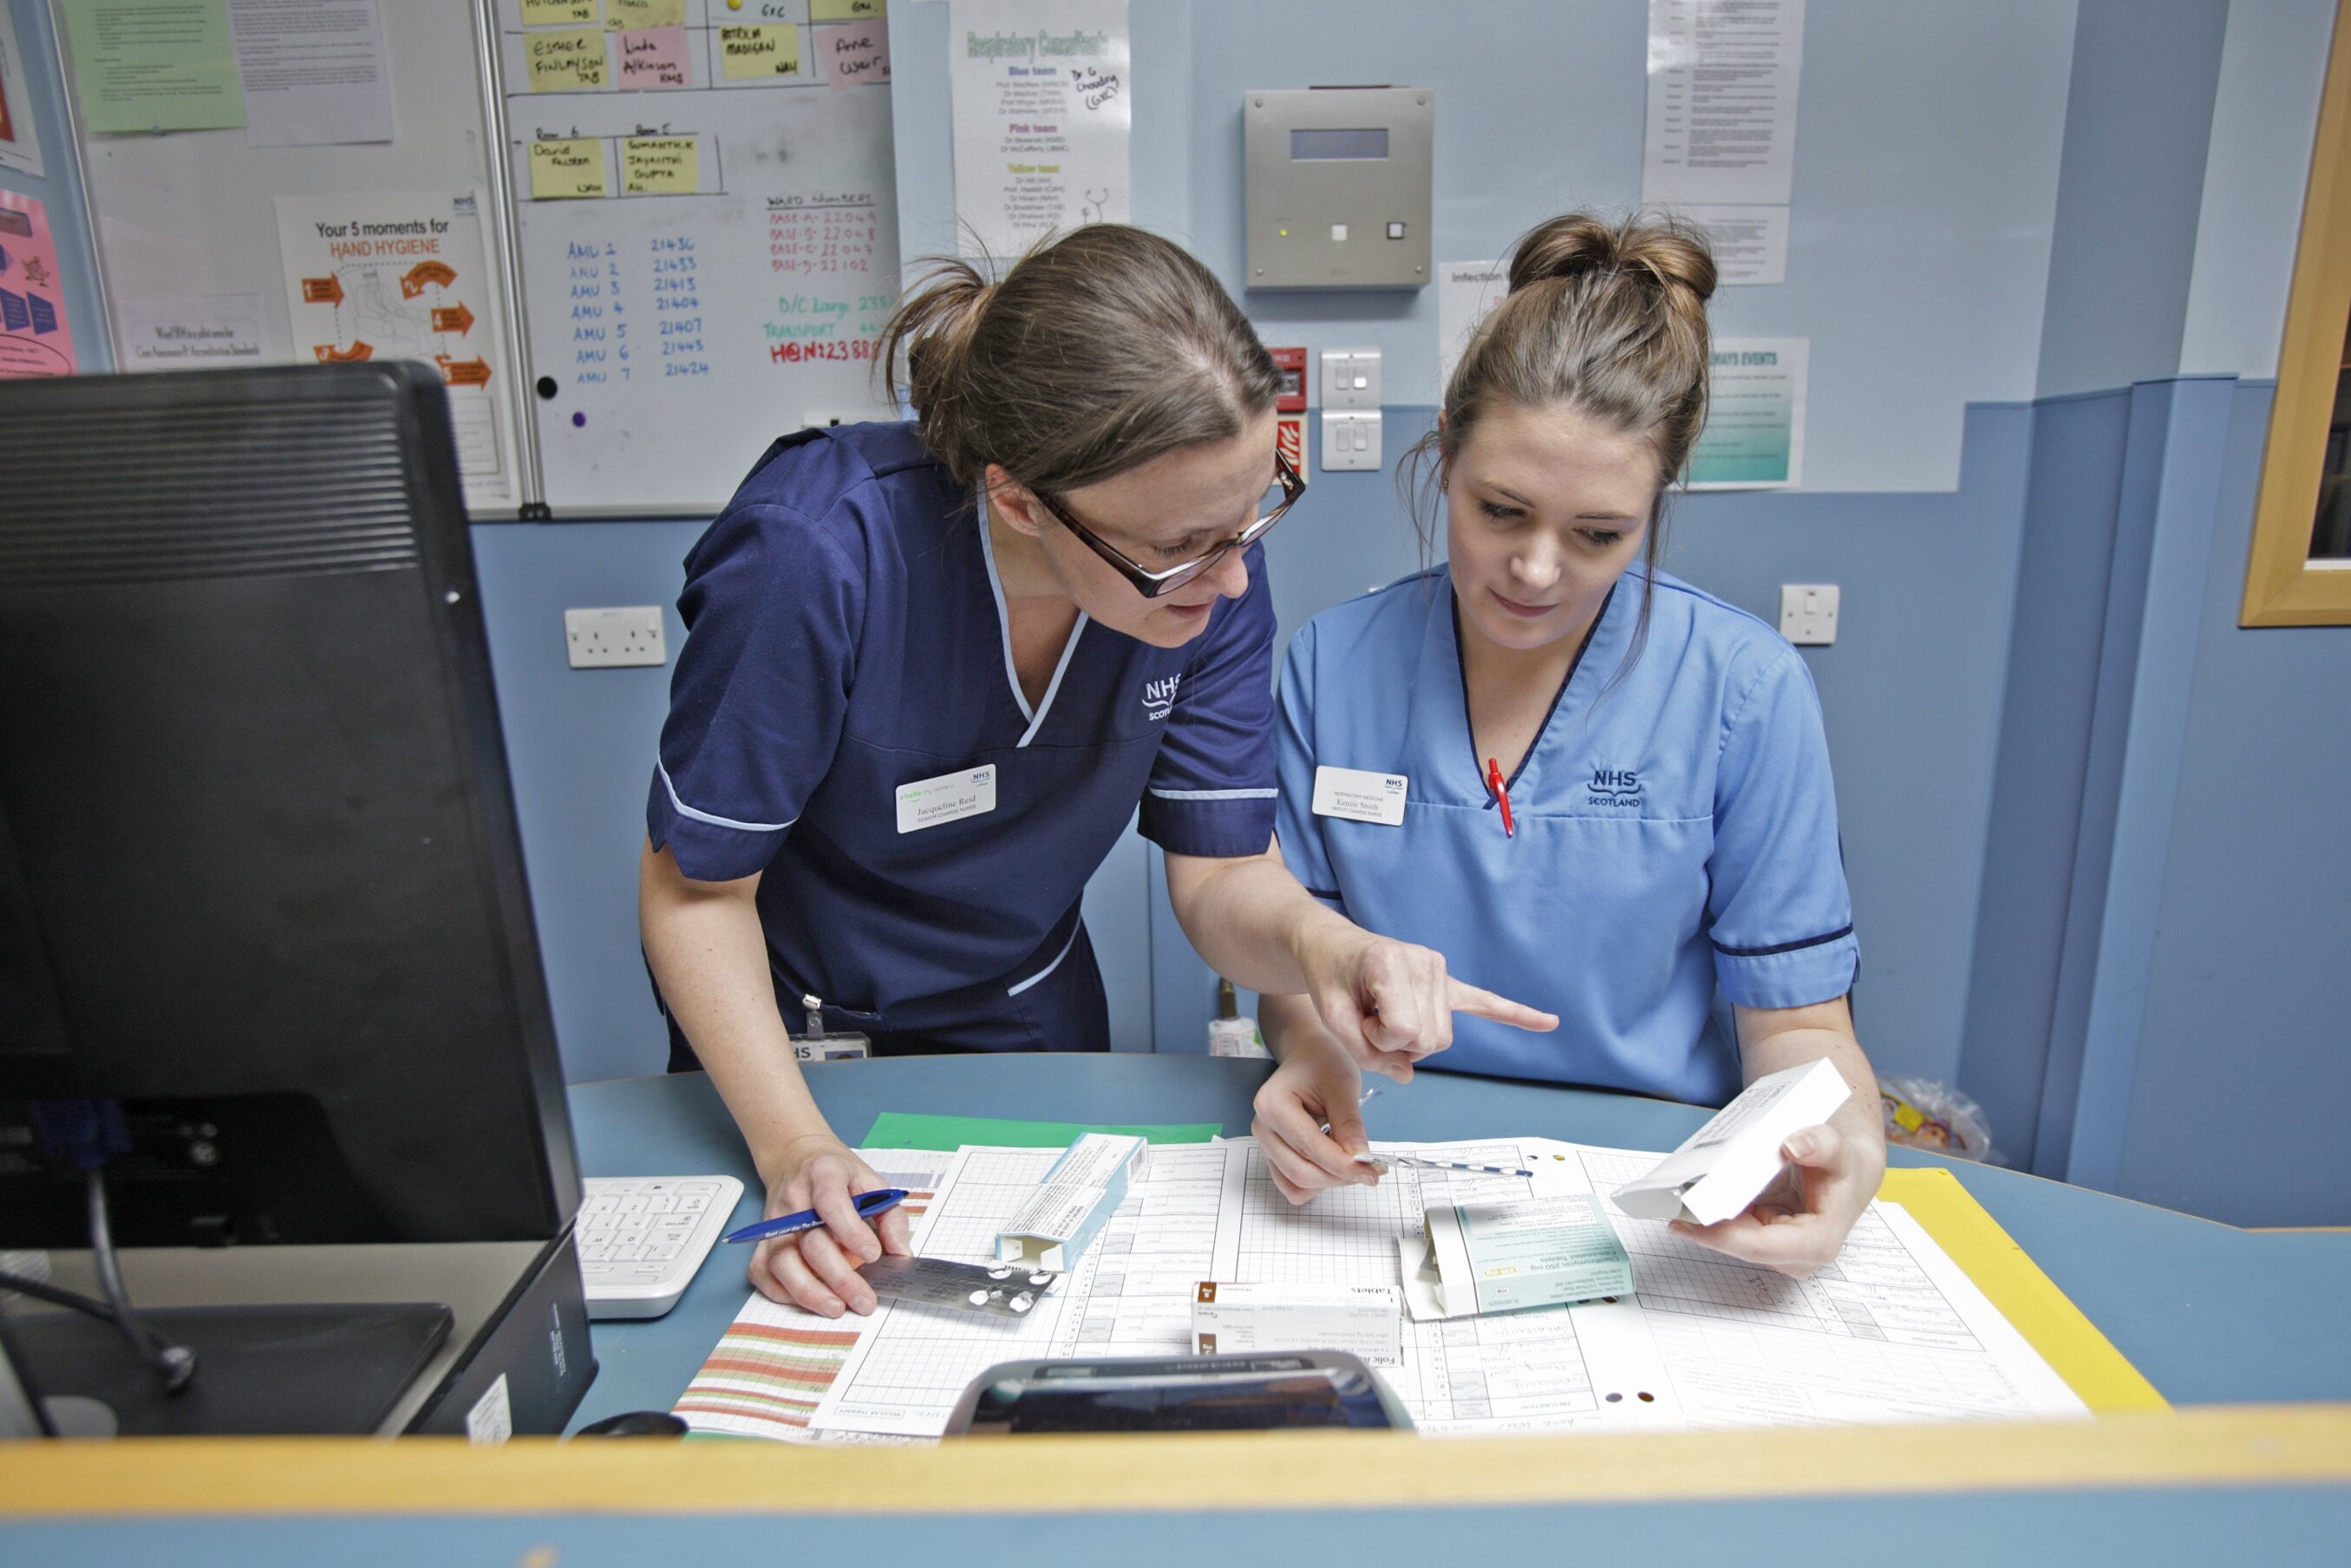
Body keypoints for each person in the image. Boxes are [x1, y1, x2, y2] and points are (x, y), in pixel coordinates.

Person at [640, 225, 1555, 1318]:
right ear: (1019, 500)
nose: (1229, 579)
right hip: (793, 1035)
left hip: (1026, 1009)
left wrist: (1325, 944)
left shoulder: (1206, 569)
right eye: (1184, 547)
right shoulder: (816, 554)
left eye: (1249, 518)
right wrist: (792, 1142)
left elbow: (1219, 879)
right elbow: (696, 887)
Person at [1250, 212, 1885, 1278]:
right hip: (1386, 1168)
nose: (1535, 569)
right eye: (1499, 510)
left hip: (1645, 1188)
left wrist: (1849, 1148)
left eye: (1598, 534)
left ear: (1655, 501)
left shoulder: (1743, 690)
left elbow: (1801, 1033)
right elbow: (1290, 960)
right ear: (1446, 445)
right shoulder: (1333, 665)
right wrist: (1309, 1059)